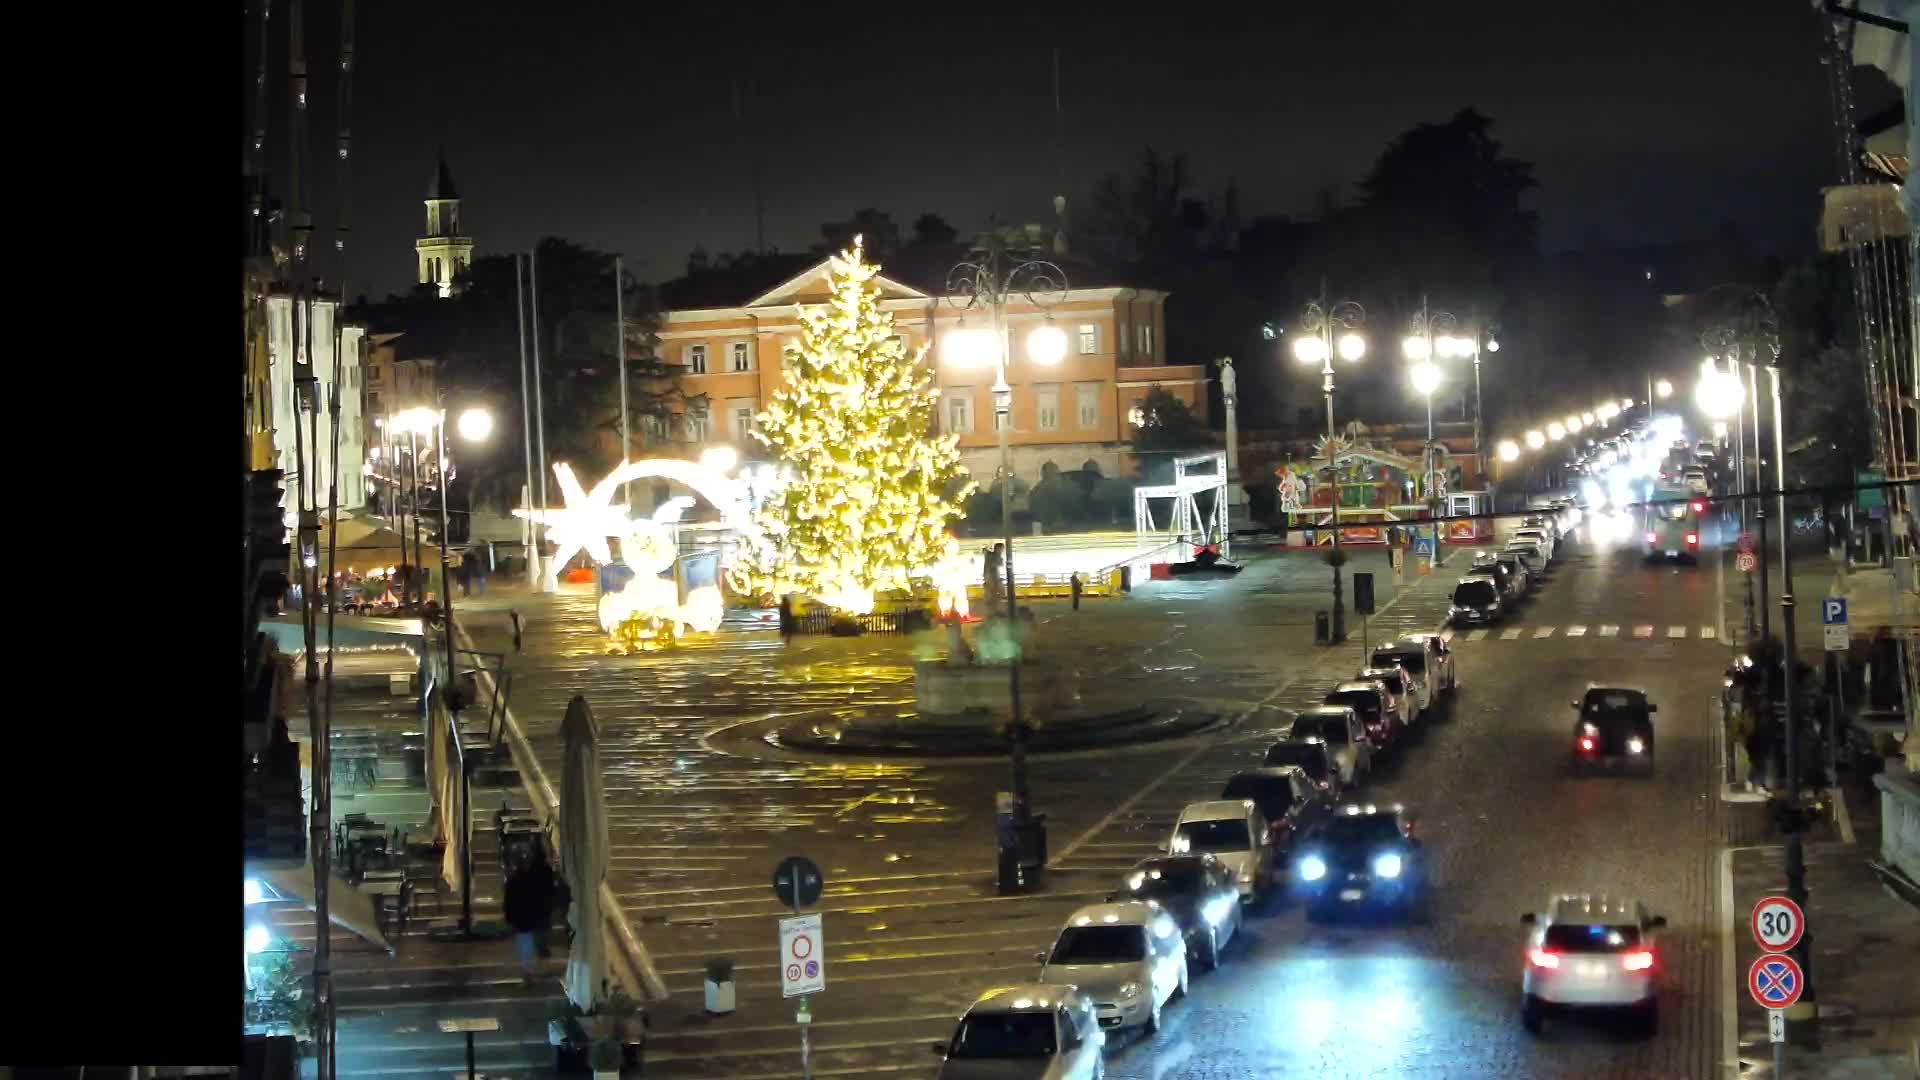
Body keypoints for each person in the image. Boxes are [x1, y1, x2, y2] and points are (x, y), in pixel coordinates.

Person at [503, 839, 559, 984]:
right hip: (538, 912)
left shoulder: (515, 877)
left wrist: (509, 917)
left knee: (527, 941)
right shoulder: (544, 871)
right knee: (539, 940)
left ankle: (529, 971)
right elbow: (551, 891)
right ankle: (540, 969)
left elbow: (509, 898)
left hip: (525, 915)